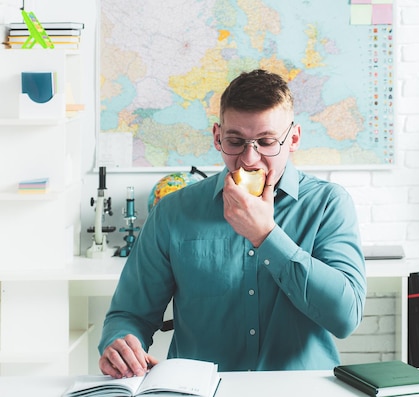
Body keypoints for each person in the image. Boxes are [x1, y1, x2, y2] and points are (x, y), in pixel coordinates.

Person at [98, 69, 367, 378]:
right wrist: (119, 344)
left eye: (266, 142)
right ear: (217, 137)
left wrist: (266, 237)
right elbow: (130, 314)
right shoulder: (173, 211)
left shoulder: (328, 205)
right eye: (236, 141)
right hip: (201, 390)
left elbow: (345, 318)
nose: (249, 159)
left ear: (293, 139)